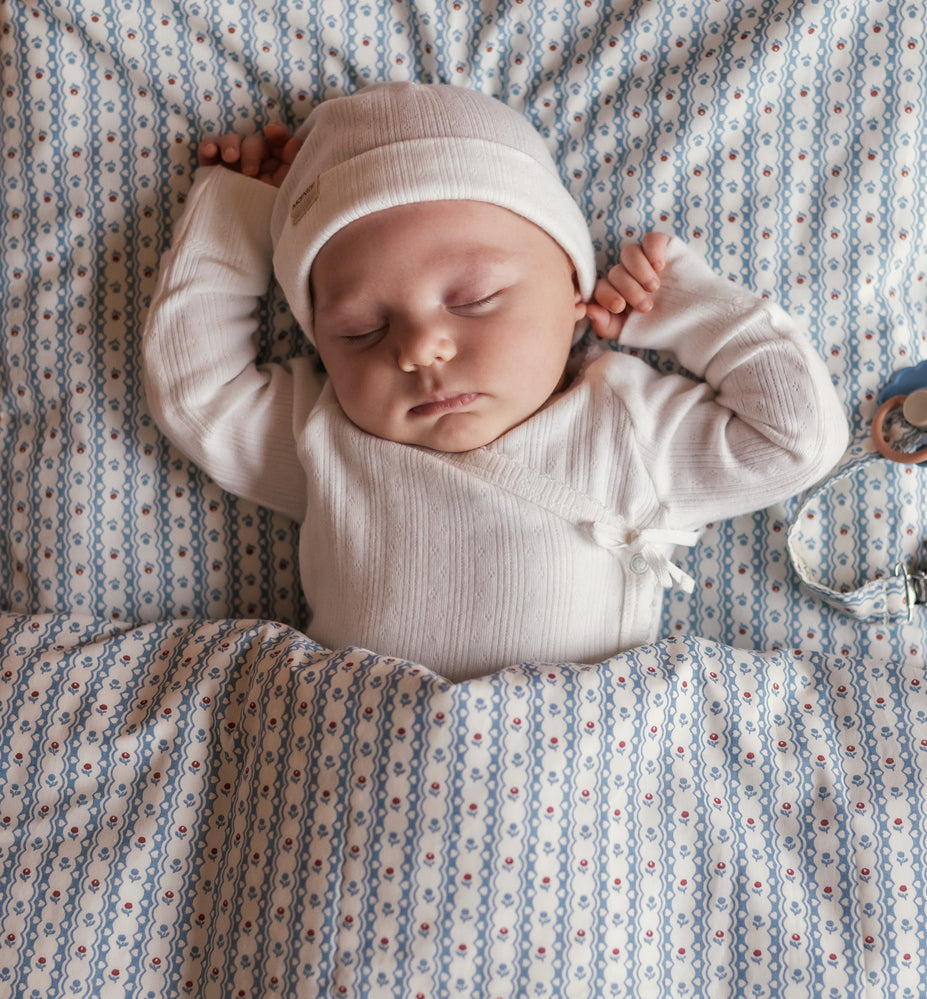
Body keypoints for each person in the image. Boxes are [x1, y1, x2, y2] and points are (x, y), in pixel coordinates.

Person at [142, 81, 849, 681]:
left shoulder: (626, 427)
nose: (420, 348)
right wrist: (239, 214)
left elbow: (799, 440)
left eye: (475, 299)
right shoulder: (326, 437)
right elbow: (195, 393)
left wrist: (688, 312)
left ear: (574, 288)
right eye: (361, 331)